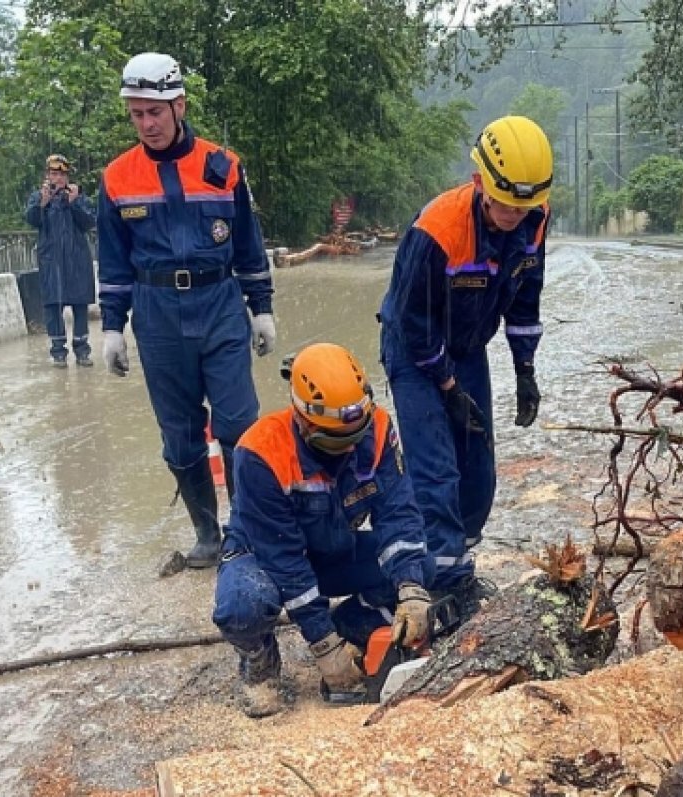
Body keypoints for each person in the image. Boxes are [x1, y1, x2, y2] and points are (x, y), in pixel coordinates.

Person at [97, 52, 276, 568]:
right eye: (136, 113)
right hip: (155, 316)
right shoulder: (117, 178)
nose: (147, 124)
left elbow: (247, 243)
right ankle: (206, 532)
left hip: (219, 305)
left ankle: (245, 528)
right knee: (178, 436)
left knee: (240, 423)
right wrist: (112, 327)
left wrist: (260, 308)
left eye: (155, 111)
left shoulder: (223, 167)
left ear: (179, 105)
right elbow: (112, 262)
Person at [378, 115, 550, 626]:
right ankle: (441, 584)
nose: (513, 217)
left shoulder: (533, 219)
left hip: (470, 346)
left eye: (524, 208)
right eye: (504, 206)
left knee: (478, 467)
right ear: (479, 183)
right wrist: (446, 384)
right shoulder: (438, 231)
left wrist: (525, 369)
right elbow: (413, 321)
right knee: (437, 468)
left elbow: (526, 298)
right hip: (415, 350)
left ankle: (452, 555)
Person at [212, 343, 433, 718]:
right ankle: (260, 661)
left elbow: (397, 513)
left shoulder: (377, 429)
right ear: (304, 419)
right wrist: (323, 646)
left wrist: (411, 589)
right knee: (242, 605)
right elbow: (284, 560)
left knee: (423, 566)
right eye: (337, 439)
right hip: (264, 555)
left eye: (354, 436)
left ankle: (351, 623)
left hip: (333, 547)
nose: (349, 448)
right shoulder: (261, 452)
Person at [24, 154, 97, 368]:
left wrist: (74, 204)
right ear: (47, 175)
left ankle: (82, 351)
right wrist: (42, 204)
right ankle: (58, 353)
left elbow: (89, 222)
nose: (57, 178)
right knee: (52, 306)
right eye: (54, 173)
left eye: (61, 174)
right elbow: (31, 219)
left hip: (77, 261)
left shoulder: (77, 196)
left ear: (67, 176)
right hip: (51, 261)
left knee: (80, 305)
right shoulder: (38, 197)